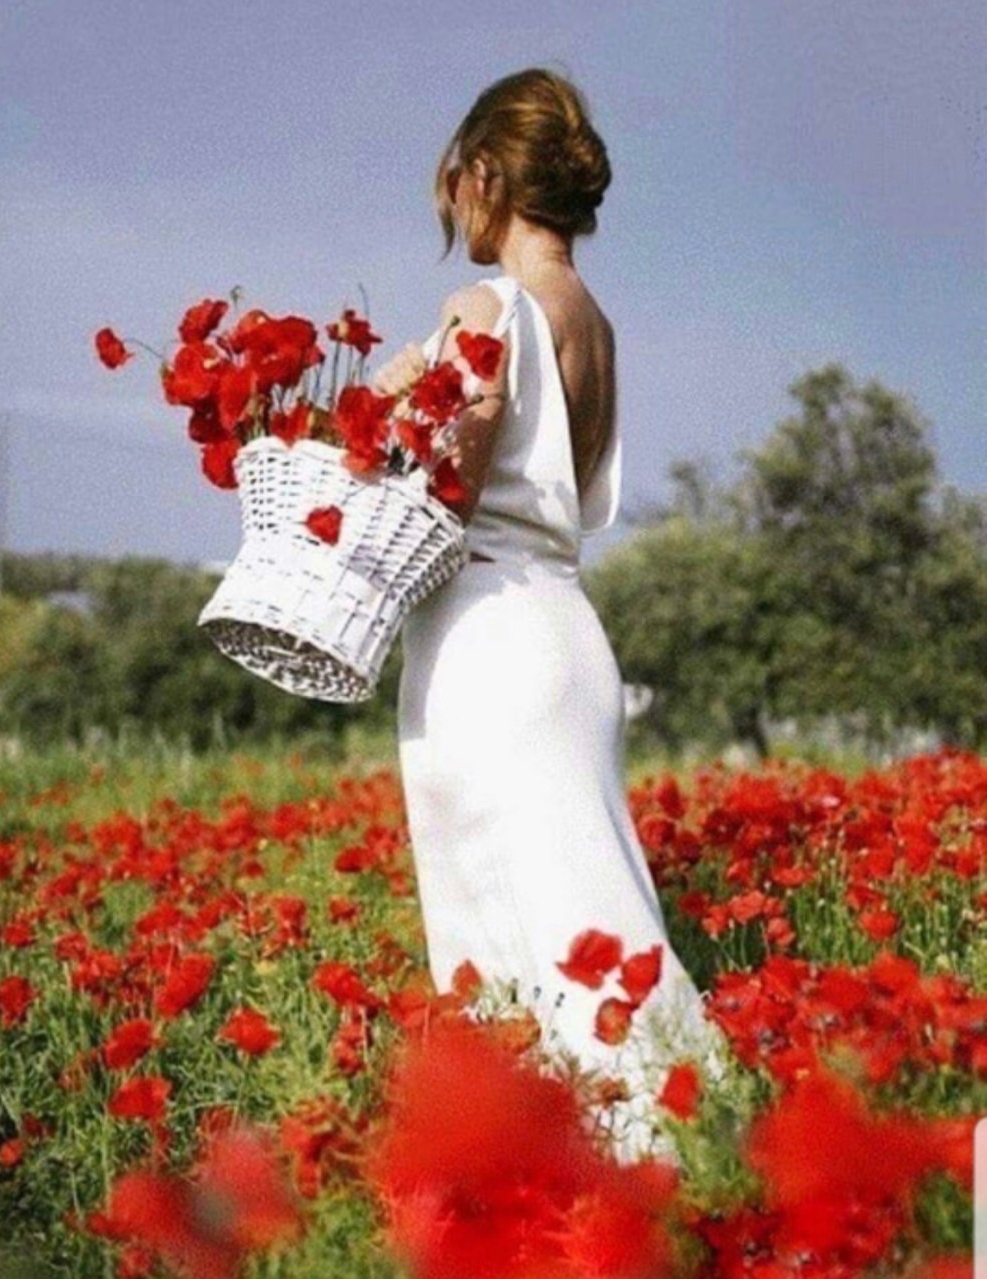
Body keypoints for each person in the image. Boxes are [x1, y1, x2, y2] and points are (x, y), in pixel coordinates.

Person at [374, 67, 729, 1166]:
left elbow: (448, 485)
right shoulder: (595, 325)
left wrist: (383, 426)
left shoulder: (488, 312)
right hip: (566, 628)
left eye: (457, 180)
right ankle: (686, 1146)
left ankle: (614, 1169)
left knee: (504, 927)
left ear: (485, 175)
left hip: (484, 635)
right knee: (591, 912)